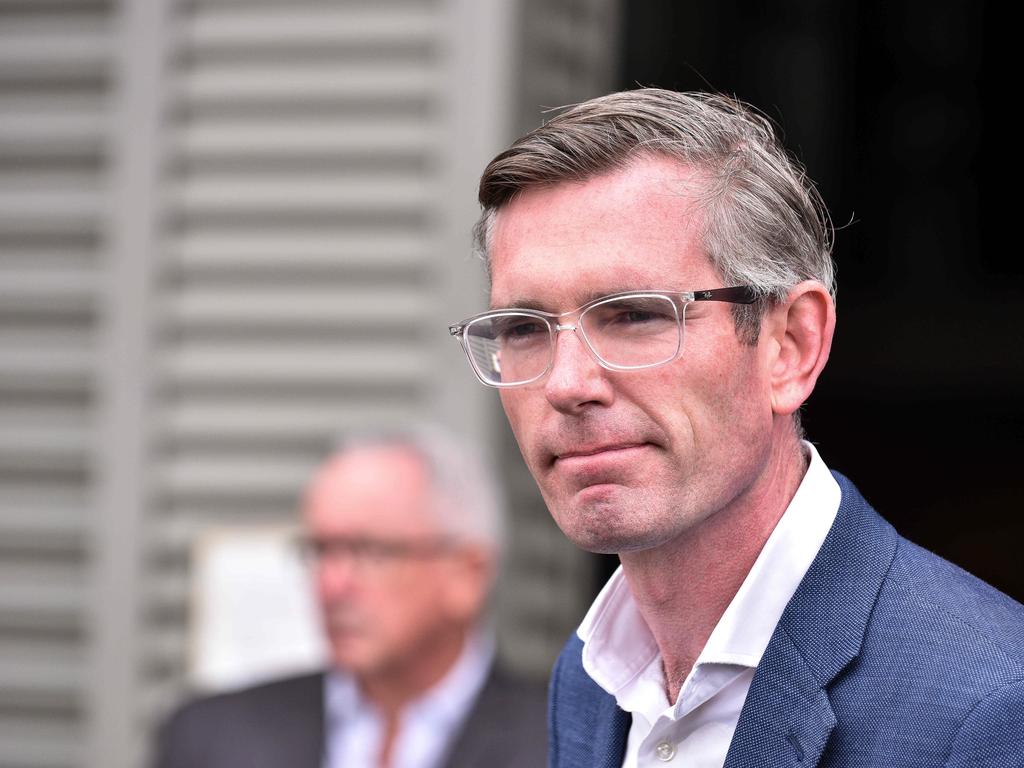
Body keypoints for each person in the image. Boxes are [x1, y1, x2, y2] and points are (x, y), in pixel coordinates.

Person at [448, 89, 1024, 767]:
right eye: (523, 328)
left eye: (635, 315)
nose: (568, 384)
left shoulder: (986, 710)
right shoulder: (591, 677)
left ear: (791, 345)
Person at [155, 427, 546, 768]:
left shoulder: (567, 744)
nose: (330, 585)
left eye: (371, 552)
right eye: (320, 551)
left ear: (468, 574)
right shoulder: (213, 736)